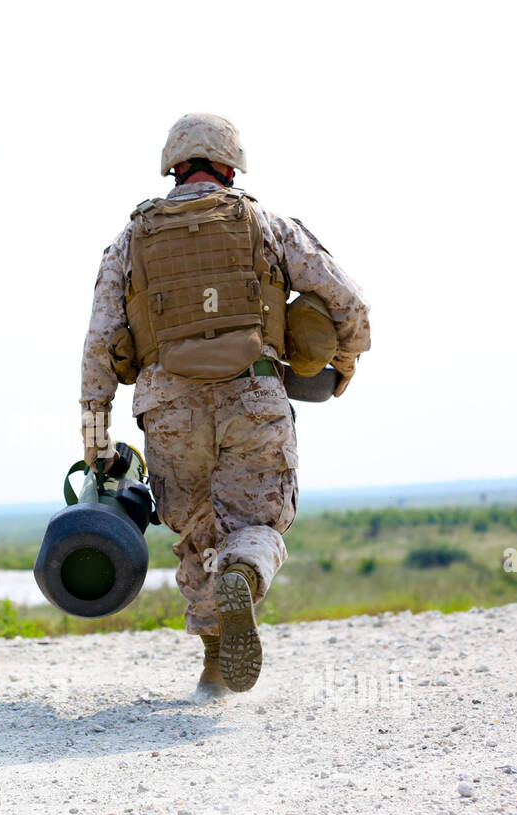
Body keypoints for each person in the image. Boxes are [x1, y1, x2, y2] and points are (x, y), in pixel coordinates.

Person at [79, 114, 370, 696]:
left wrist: (96, 443)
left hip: (168, 408)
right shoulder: (267, 225)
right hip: (252, 395)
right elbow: (350, 304)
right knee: (257, 522)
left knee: (193, 534)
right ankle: (245, 572)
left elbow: (98, 347)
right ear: (231, 167)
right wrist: (342, 364)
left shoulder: (129, 241)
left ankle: (214, 663)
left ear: (173, 166)